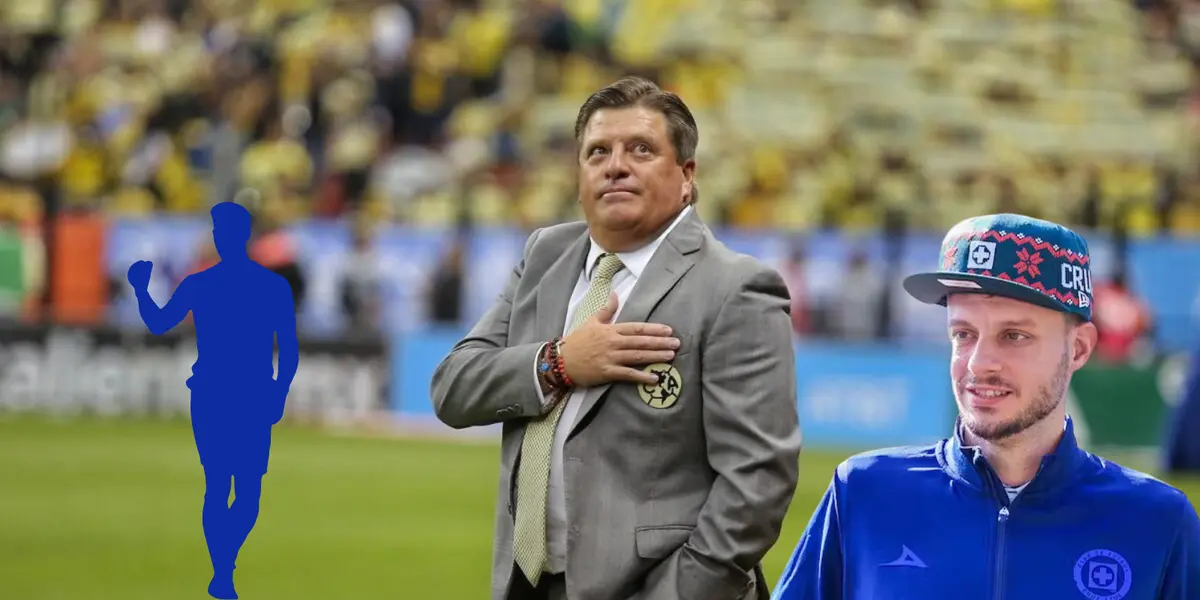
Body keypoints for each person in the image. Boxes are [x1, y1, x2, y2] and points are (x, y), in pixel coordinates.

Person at [430, 76, 802, 600]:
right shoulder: (545, 256)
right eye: (597, 151)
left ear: (686, 177)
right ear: (580, 174)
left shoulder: (735, 288)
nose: (615, 165)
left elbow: (758, 482)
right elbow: (453, 387)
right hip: (527, 584)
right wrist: (557, 363)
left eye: (642, 149)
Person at [771, 214, 1200, 600]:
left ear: (1080, 348)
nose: (978, 363)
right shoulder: (862, 491)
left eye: (1014, 335)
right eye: (963, 334)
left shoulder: (1157, 521)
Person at [127, 201, 299, 600]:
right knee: (227, 486)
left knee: (238, 491)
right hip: (225, 394)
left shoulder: (257, 286)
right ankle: (223, 572)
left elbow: (288, 349)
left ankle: (223, 564)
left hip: (234, 395)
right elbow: (287, 351)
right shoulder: (216, 285)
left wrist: (140, 289)